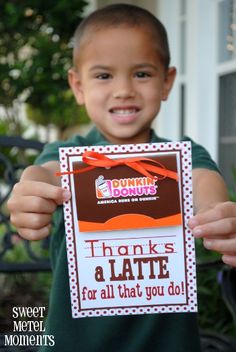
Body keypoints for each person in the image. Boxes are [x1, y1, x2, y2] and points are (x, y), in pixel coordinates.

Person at [7, 4, 236, 352]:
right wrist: (31, 191)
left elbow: (206, 187)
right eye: (103, 76)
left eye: (142, 74)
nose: (124, 89)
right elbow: (44, 174)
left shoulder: (185, 156)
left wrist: (221, 217)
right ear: (78, 86)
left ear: (167, 81)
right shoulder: (67, 156)